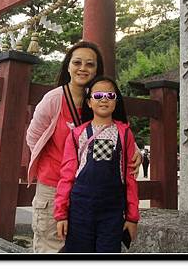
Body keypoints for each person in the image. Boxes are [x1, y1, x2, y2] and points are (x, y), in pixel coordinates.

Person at [25, 41, 142, 253]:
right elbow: (33, 138)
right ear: (67, 66)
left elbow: (118, 136)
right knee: (53, 246)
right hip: (54, 186)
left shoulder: (100, 100)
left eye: (90, 64)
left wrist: (136, 154)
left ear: (97, 70)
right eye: (77, 62)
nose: (83, 68)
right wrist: (62, 164)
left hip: (89, 194)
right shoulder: (54, 100)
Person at [54, 76, 139, 253]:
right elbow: (67, 176)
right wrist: (61, 214)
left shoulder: (124, 134)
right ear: (89, 102)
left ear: (116, 102)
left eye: (110, 95)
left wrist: (132, 217)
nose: (104, 99)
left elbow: (130, 178)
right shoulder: (77, 134)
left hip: (112, 210)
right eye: (98, 95)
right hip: (80, 208)